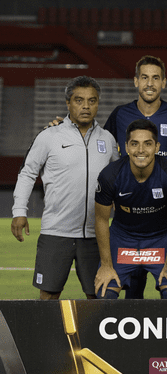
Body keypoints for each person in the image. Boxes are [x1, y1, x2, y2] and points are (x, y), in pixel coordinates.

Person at [11, 76, 118, 300]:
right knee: (49, 296)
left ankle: (91, 337)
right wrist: (19, 211)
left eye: (92, 100)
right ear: (68, 103)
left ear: (98, 103)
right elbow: (28, 172)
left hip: (95, 235)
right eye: (79, 100)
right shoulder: (49, 136)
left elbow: (117, 179)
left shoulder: (107, 140)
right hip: (55, 233)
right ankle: (45, 336)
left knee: (98, 295)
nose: (86, 106)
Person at [103, 55, 167, 299]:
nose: (150, 83)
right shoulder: (119, 114)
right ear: (136, 81)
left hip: (164, 216)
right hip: (129, 211)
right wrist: (63, 124)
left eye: (156, 78)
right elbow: (100, 144)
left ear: (164, 83)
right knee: (131, 291)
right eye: (145, 77)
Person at [94, 119, 167, 299]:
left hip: (160, 238)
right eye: (134, 144)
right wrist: (106, 265)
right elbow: (101, 220)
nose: (141, 150)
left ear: (157, 146)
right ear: (126, 147)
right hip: (123, 239)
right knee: (104, 295)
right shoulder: (110, 175)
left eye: (148, 144)